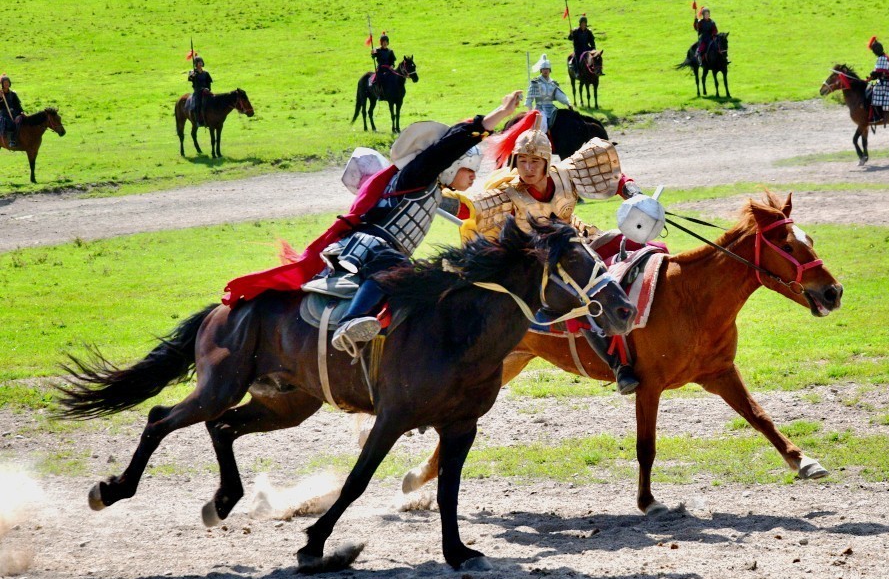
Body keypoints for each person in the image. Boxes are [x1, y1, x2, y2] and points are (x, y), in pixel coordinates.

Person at [221, 91, 525, 353]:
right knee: (395, 269)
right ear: (450, 165)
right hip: (372, 246)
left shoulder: (432, 190)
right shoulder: (416, 177)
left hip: (387, 249)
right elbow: (448, 146)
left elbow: (468, 211)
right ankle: (349, 321)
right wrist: (500, 114)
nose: (473, 177)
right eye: (469, 170)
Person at [467, 111, 662, 395]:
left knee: (638, 247)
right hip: (543, 260)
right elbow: (472, 208)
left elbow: (609, 174)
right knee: (580, 294)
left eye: (535, 161)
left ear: (547, 162)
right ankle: (618, 365)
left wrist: (633, 192)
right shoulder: (508, 194)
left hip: (579, 239)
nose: (528, 168)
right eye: (522, 161)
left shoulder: (565, 175)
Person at [526, 54, 571, 131]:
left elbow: (559, 95)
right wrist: (530, 111)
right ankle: (540, 137)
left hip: (552, 108)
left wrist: (568, 103)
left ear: (550, 70)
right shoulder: (536, 82)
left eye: (547, 69)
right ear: (541, 70)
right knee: (543, 123)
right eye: (543, 69)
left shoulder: (553, 83)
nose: (545, 71)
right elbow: (529, 99)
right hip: (540, 108)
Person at [187, 57, 213, 126]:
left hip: (206, 91)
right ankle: (198, 120)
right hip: (198, 91)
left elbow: (209, 82)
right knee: (198, 104)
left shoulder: (206, 73)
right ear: (196, 63)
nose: (200, 63)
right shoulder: (192, 72)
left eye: (201, 62)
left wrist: (208, 89)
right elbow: (190, 78)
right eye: (199, 62)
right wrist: (192, 76)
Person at [0, 75, 22, 148]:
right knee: (11, 124)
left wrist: (21, 112)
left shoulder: (13, 94)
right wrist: (0, 98)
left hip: (14, 113)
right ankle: (12, 140)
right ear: (2, 84)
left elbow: (17, 105)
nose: (6, 84)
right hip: (4, 114)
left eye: (7, 82)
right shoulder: (0, 94)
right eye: (4, 83)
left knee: (21, 121)